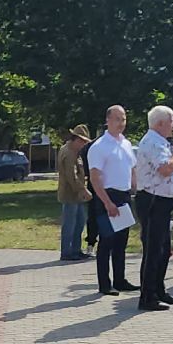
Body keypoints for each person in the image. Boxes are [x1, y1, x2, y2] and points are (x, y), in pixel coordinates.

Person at [132, 105, 173, 311]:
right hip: (153, 201)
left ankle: (158, 289)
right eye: (171, 120)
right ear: (160, 123)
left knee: (164, 250)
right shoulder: (152, 142)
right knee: (153, 250)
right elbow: (164, 169)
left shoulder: (160, 141)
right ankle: (147, 297)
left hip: (163, 202)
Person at [87, 106, 139, 298]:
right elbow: (94, 177)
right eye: (117, 119)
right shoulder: (100, 146)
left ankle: (120, 279)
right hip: (107, 197)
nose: (121, 123)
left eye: (123, 119)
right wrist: (107, 202)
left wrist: (135, 186)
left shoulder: (125, 143)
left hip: (124, 196)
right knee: (107, 241)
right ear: (107, 120)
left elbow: (132, 167)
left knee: (121, 242)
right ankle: (104, 283)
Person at [54, 124, 93, 261]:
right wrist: (83, 190)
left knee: (79, 222)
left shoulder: (74, 151)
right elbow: (71, 176)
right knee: (70, 224)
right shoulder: (68, 153)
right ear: (76, 139)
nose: (83, 145)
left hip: (76, 195)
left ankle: (76, 250)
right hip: (70, 194)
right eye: (82, 141)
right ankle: (67, 252)